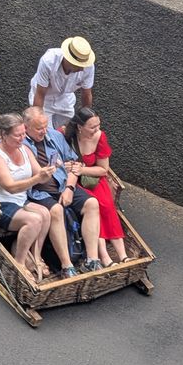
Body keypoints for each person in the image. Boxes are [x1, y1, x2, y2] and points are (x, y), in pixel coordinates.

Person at [22, 107, 103, 277]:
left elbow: (74, 166)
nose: (44, 131)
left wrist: (70, 189)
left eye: (45, 126)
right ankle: (67, 266)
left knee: (92, 203)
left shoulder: (55, 136)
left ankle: (92, 260)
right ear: (26, 127)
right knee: (56, 210)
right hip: (37, 192)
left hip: (62, 186)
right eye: (39, 128)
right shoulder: (20, 143)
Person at [0, 114, 55, 283]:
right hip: (1, 203)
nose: (23, 138)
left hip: (20, 200)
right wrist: (37, 179)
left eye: (23, 133)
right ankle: (19, 262)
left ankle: (36, 255)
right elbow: (10, 187)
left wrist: (48, 172)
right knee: (34, 220)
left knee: (45, 213)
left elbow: (38, 173)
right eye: (18, 135)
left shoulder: (24, 148)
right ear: (5, 135)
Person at [64, 107, 128, 267]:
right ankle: (104, 256)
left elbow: (103, 169)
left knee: (107, 206)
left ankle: (123, 255)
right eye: (92, 127)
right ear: (80, 127)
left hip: (93, 178)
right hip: (76, 182)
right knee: (94, 206)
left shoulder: (100, 137)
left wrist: (82, 169)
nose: (97, 129)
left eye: (98, 125)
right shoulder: (66, 135)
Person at [28, 36, 95, 130]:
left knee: (66, 133)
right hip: (44, 100)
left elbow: (86, 94)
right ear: (68, 60)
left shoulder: (88, 67)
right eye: (79, 65)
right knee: (46, 134)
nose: (82, 69)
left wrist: (86, 119)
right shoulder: (48, 61)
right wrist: (38, 120)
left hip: (65, 99)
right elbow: (40, 94)